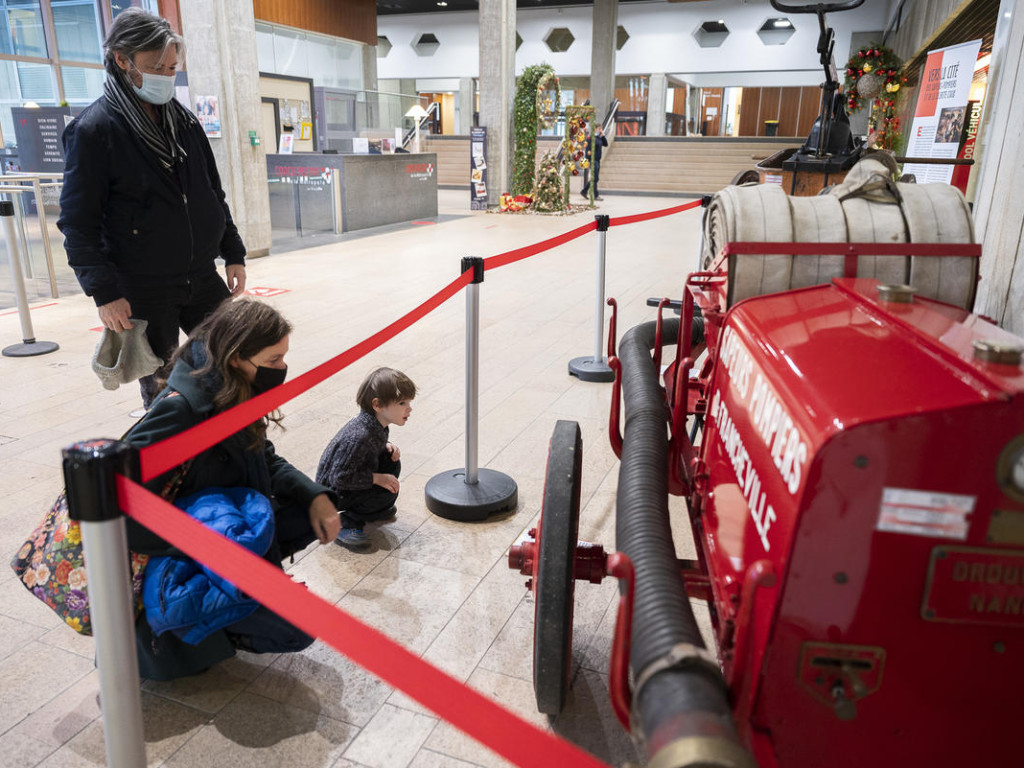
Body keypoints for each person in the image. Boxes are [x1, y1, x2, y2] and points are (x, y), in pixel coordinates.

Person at [124, 298, 341, 680]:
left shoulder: (231, 386)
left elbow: (264, 456)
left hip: (223, 524)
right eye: (274, 360)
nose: (283, 369)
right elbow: (123, 504)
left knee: (307, 512)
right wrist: (214, 551)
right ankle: (199, 633)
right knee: (299, 626)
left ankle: (243, 595)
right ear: (238, 357)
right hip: (182, 557)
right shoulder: (181, 411)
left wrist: (314, 494)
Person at [58, 8, 247, 408]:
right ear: (123, 60)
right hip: (143, 284)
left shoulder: (185, 122)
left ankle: (232, 449)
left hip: (200, 274)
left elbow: (212, 192)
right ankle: (174, 462)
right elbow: (78, 224)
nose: (166, 75)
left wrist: (233, 251)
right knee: (164, 386)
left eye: (172, 67)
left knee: (231, 362)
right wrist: (104, 294)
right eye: (155, 66)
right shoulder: (95, 131)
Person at [316, 367, 416, 550]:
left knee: (391, 460)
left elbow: (366, 454)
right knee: (385, 492)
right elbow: (340, 478)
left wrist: (385, 446)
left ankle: (371, 510)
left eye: (409, 402)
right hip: (334, 494)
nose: (409, 408)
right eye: (402, 403)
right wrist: (378, 478)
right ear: (377, 405)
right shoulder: (359, 437)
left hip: (349, 483)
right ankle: (344, 522)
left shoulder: (376, 425)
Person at [581, 124, 608, 201]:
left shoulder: (599, 138)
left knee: (595, 178)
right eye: (599, 129)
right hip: (593, 160)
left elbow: (606, 144)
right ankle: (594, 194)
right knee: (595, 178)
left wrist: (603, 136)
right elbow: (587, 150)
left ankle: (585, 191)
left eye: (601, 129)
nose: (601, 130)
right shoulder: (590, 138)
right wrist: (588, 160)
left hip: (598, 160)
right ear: (595, 129)